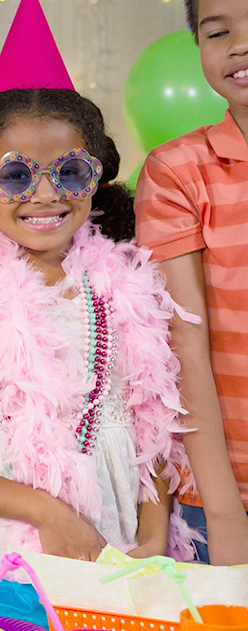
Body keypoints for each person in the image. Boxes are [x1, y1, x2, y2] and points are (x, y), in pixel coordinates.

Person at [0, 0, 195, 584]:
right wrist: (47, 512)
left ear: (96, 177)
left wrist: (156, 536)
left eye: (69, 171)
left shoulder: (130, 287)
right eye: (15, 174)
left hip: (124, 547)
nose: (45, 193)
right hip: (5, 551)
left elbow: (152, 423)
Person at [133, 0, 248, 565]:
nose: (239, 45)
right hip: (227, 487)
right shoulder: (177, 169)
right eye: (218, 32)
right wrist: (225, 511)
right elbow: (184, 344)